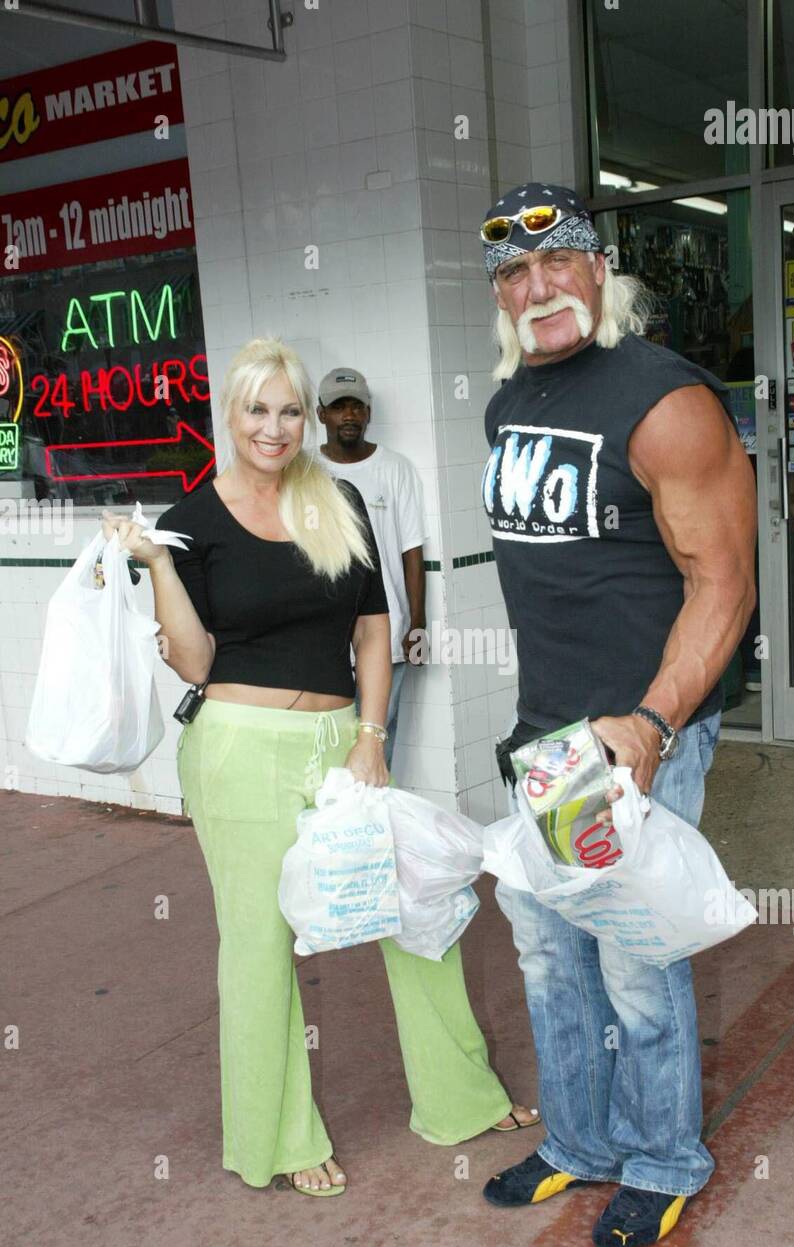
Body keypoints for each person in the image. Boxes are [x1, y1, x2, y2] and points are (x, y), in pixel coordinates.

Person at [101, 337, 537, 1198]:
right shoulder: (192, 520)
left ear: (306, 417)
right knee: (261, 947)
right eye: (257, 409)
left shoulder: (336, 499)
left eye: (289, 409)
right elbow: (192, 661)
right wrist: (156, 566)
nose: (274, 426)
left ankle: (460, 1099)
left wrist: (372, 735)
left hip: (343, 740)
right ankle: (279, 1137)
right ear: (230, 414)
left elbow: (375, 624)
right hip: (238, 750)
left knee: (415, 912)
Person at [477, 184, 756, 1247]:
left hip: (641, 733)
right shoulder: (510, 399)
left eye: (556, 264)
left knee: (636, 956)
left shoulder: (661, 398)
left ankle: (664, 1156)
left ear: (599, 270)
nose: (535, 287)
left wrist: (648, 720)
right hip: (544, 736)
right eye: (511, 273)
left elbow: (720, 583)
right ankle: (581, 1142)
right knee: (551, 953)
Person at [315, 367, 426, 767]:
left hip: (389, 629)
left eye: (357, 406)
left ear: (369, 412)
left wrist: (418, 625)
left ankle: (378, 820)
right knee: (331, 736)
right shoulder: (305, 473)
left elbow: (412, 550)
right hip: (324, 636)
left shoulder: (395, 469)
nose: (349, 415)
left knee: (380, 733)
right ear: (320, 413)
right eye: (339, 407)